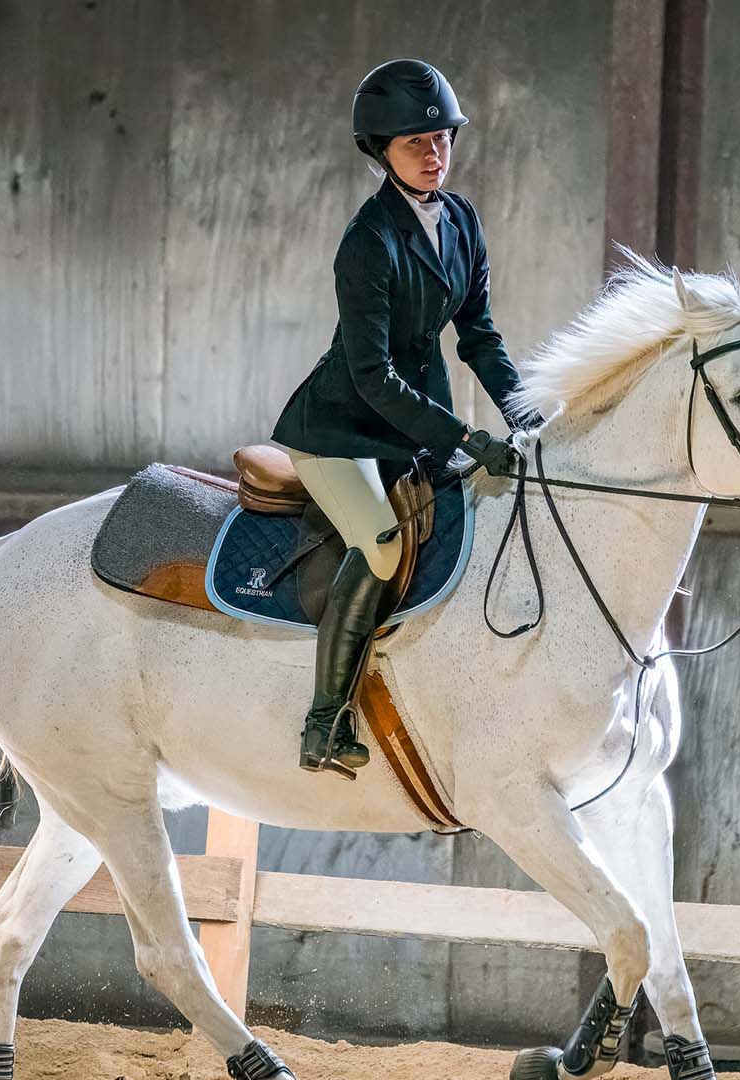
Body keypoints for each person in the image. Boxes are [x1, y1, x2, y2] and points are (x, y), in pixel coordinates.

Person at [270, 58, 529, 776]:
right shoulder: (367, 241)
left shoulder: (464, 220)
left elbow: (477, 335)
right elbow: (371, 374)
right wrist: (465, 437)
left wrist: (527, 412)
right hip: (342, 427)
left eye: (442, 137)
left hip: (414, 419)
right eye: (416, 143)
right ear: (379, 151)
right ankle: (323, 723)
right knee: (383, 548)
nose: (435, 152)